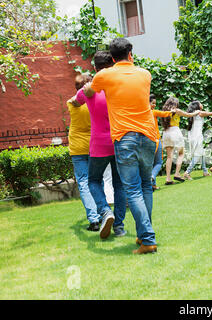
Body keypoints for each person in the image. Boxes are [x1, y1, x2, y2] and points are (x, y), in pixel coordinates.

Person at [84, 37, 159, 254]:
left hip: (125, 138)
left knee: (133, 189)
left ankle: (147, 239)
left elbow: (89, 92)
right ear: (130, 54)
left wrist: (89, 87)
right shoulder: (145, 74)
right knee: (146, 186)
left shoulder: (104, 75)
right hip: (149, 136)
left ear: (112, 57)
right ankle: (144, 234)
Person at [70, 51, 127, 239]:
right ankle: (119, 226)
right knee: (119, 185)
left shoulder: (88, 90)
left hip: (99, 146)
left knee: (93, 181)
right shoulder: (119, 87)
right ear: (112, 64)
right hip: (118, 141)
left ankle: (104, 211)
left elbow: (76, 102)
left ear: (95, 68)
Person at [67, 74, 100, 231]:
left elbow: (75, 100)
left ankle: (93, 219)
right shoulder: (94, 102)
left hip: (77, 147)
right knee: (95, 181)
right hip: (93, 145)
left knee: (83, 182)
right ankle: (102, 213)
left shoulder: (71, 103)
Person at [183, 100, 212, 180]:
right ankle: (187, 172)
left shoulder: (194, 114)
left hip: (193, 137)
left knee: (202, 153)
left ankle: (205, 171)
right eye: (200, 103)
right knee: (197, 155)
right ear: (197, 106)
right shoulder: (199, 112)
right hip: (197, 137)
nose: (201, 104)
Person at [161, 97, 200, 185]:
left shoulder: (165, 111)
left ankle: (168, 178)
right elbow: (187, 115)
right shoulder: (176, 110)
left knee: (169, 157)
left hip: (166, 133)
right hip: (175, 132)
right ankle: (177, 173)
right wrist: (196, 112)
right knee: (181, 153)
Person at [149, 94, 174, 191]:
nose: (154, 105)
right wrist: (172, 111)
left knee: (150, 164)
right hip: (156, 140)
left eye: (155, 103)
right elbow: (164, 113)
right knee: (158, 162)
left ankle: (153, 185)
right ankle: (152, 176)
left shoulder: (142, 114)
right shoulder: (153, 112)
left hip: (147, 140)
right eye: (152, 103)